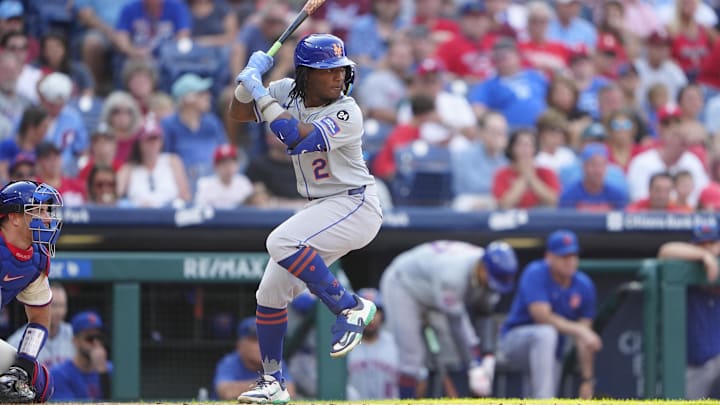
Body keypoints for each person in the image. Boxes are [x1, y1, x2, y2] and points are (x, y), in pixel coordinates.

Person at [229, 33, 383, 403]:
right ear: (305, 74)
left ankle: (350, 306)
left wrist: (259, 92)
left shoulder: (348, 111)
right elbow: (237, 115)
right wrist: (246, 83)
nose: (338, 77)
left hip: (355, 204)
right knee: (270, 292)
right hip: (321, 207)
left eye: (341, 70)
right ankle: (272, 382)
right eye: (328, 71)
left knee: (280, 241)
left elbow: (296, 138)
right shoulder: (286, 90)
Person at [378, 240, 519, 399]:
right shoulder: (453, 274)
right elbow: (457, 325)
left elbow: (485, 314)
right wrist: (474, 366)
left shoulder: (489, 276)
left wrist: (488, 356)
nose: (494, 285)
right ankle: (405, 401)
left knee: (452, 354)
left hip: (433, 290)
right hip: (404, 285)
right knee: (412, 358)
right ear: (482, 266)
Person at [498, 229, 601, 399]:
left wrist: (587, 380)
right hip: (514, 343)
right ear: (549, 257)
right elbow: (541, 316)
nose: (570, 261)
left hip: (551, 353)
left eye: (573, 256)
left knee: (545, 383)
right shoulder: (536, 272)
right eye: (563, 256)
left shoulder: (584, 285)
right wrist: (581, 330)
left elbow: (585, 339)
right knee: (546, 333)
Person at [0, 180, 63, 403]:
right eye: (38, 211)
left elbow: (39, 319)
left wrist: (22, 367)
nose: (47, 218)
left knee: (40, 383)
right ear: (14, 217)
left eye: (47, 210)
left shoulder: (37, 260)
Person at [657, 223, 720, 399]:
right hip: (692, 366)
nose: (707, 248)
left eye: (712, 243)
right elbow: (666, 251)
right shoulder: (685, 267)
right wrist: (704, 256)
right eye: (702, 244)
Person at [213, 316, 296, 400]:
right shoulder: (229, 362)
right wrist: (266, 385)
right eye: (254, 340)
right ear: (240, 345)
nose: (261, 345)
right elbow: (227, 393)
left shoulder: (275, 361)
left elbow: (290, 392)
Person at [346, 288, 399, 400]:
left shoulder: (395, 344)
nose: (371, 318)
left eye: (375, 312)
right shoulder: (344, 345)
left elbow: (419, 378)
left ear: (382, 315)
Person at [7, 282, 74, 370]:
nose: (59, 312)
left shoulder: (73, 335)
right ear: (44, 307)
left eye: (62, 306)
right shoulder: (19, 339)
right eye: (54, 306)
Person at [50, 311, 112, 401]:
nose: (96, 342)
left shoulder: (110, 370)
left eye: (99, 337)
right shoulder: (59, 374)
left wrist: (103, 374)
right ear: (75, 341)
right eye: (90, 338)